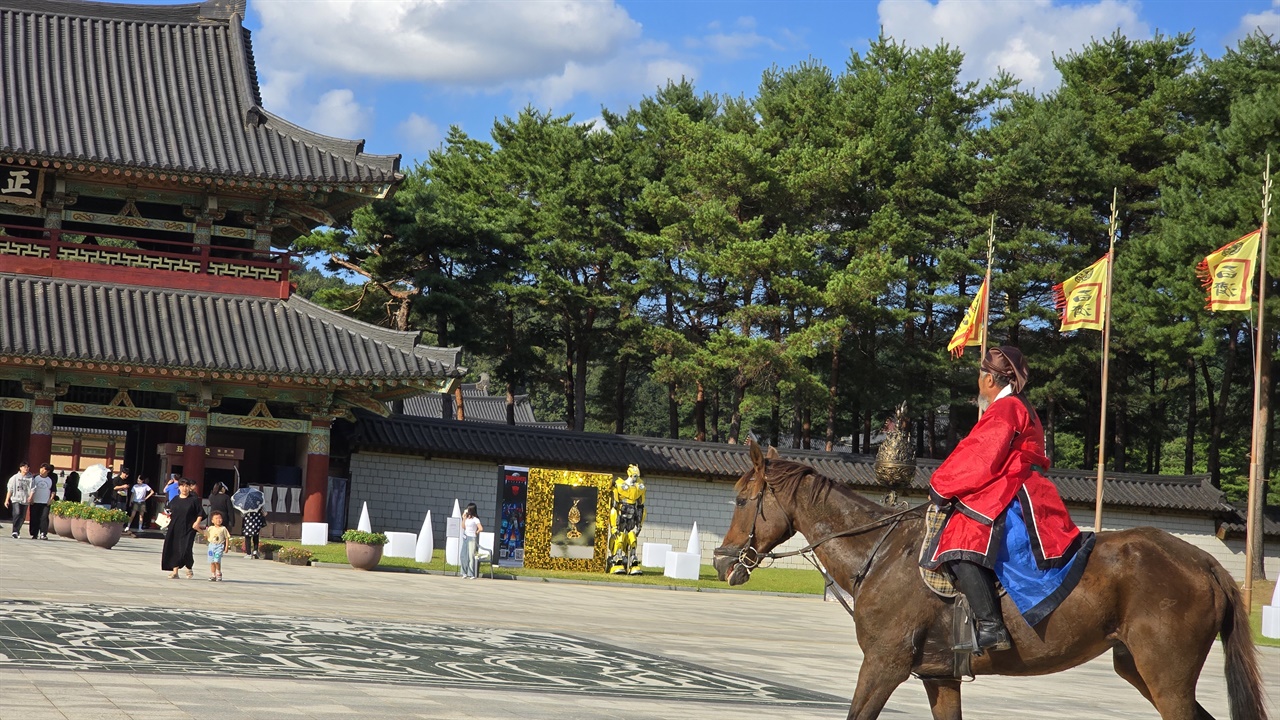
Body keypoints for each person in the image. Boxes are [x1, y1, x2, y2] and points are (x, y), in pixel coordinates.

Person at [920, 346, 1090, 654]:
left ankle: (991, 626)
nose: (978, 383)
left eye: (979, 376)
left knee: (960, 541)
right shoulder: (1018, 406)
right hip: (1016, 484)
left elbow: (980, 456)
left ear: (988, 380)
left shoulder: (1005, 409)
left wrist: (942, 487)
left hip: (1011, 488)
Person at [161, 478, 205, 579]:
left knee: (186, 548)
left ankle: (189, 566)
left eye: (186, 486)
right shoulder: (175, 499)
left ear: (190, 487)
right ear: (179, 487)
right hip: (175, 527)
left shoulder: (193, 500)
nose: (184, 488)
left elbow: (200, 513)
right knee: (174, 548)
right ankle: (175, 571)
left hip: (189, 528)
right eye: (182, 486)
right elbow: (168, 510)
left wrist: (197, 523)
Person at [5, 462, 33, 539]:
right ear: (20, 468)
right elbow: (10, 489)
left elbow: (33, 489)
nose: (26, 469)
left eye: (27, 467)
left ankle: (17, 531)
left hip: (25, 499)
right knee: (17, 513)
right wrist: (6, 500)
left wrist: (31, 497)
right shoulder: (14, 477)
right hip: (16, 498)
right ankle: (14, 531)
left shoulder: (30, 478)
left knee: (22, 517)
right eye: (24, 467)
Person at [28, 463, 55, 540]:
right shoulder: (34, 477)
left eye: (44, 469)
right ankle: (34, 533)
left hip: (45, 502)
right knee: (34, 517)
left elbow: (53, 491)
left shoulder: (50, 480)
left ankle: (43, 533)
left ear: (48, 471)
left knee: (44, 517)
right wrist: (31, 498)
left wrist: (51, 499)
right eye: (41, 468)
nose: (42, 470)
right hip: (35, 501)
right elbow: (30, 488)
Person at [204, 510, 230, 581]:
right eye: (216, 518)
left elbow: (227, 537)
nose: (218, 520)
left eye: (220, 518)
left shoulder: (223, 528)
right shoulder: (210, 528)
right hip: (211, 546)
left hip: (219, 546)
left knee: (217, 560)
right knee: (211, 561)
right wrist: (205, 534)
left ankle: (218, 572)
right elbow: (206, 536)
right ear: (212, 520)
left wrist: (226, 546)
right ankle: (213, 574)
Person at [459, 502, 483, 579]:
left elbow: (480, 528)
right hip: (465, 536)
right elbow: (463, 527)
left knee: (470, 556)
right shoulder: (467, 518)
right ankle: (464, 572)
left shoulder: (475, 519)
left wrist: (476, 532)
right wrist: (464, 518)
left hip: (472, 537)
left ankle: (471, 573)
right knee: (463, 555)